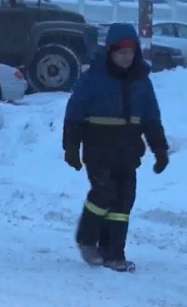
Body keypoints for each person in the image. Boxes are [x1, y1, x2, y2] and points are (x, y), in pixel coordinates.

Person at [62, 22, 170, 272]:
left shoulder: (141, 82)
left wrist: (160, 150)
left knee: (123, 202)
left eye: (130, 53)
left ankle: (113, 253)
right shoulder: (93, 79)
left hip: (128, 152)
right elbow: (75, 114)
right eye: (121, 52)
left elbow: (151, 119)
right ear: (110, 51)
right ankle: (87, 238)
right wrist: (71, 148)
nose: (126, 57)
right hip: (98, 150)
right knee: (103, 193)